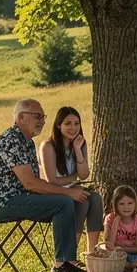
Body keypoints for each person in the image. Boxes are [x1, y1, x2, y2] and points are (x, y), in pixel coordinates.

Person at [0, 99, 86, 272]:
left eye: (43, 117)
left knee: (67, 202)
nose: (42, 121)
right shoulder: (11, 141)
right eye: (37, 116)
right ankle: (62, 265)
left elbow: (34, 182)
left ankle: (68, 261)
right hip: (2, 203)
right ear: (21, 118)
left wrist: (68, 190)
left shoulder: (27, 142)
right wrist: (68, 191)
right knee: (63, 202)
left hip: (20, 197)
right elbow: (30, 183)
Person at [39, 105, 104, 255]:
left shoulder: (80, 143)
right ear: (58, 125)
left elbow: (83, 175)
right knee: (82, 201)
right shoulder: (47, 146)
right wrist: (72, 180)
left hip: (72, 188)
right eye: (68, 123)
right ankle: (70, 254)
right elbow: (51, 181)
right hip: (52, 192)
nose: (73, 128)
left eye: (76, 123)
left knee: (95, 198)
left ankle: (92, 253)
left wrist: (77, 150)